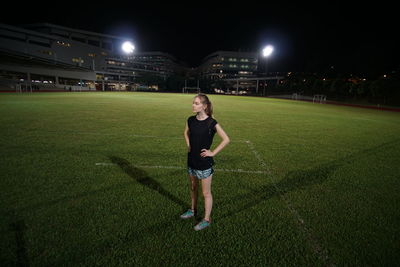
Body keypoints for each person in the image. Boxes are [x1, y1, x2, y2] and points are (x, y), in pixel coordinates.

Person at [181, 93, 230, 231]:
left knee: (206, 193)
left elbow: (226, 139)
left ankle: (206, 219)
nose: (193, 105)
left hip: (204, 163)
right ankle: (192, 210)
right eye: (193, 103)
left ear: (204, 106)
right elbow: (186, 132)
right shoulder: (190, 120)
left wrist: (212, 152)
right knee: (193, 187)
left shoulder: (211, 123)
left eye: (196, 103)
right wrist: (189, 145)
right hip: (191, 160)